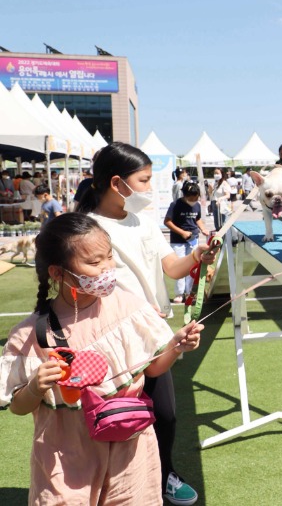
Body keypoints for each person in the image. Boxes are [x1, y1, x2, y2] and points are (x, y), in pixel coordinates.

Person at [0, 212, 203, 504]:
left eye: (109, 257)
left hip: (131, 451)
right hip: (65, 460)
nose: (107, 268)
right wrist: (35, 386)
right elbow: (18, 406)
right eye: (95, 262)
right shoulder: (29, 334)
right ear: (57, 273)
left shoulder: (129, 306)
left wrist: (176, 345)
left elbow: (154, 368)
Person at [77, 142, 217, 505]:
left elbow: (171, 267)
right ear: (117, 182)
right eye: (144, 180)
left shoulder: (144, 222)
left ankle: (162, 474)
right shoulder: (85, 227)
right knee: (111, 416)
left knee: (164, 414)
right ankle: (105, 485)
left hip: (152, 333)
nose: (149, 188)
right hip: (107, 336)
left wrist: (199, 255)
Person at [165, 181, 210, 304]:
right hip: (178, 242)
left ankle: (191, 292)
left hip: (193, 240)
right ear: (184, 195)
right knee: (180, 266)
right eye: (191, 198)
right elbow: (167, 222)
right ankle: (179, 293)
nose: (194, 201)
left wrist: (203, 229)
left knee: (193, 267)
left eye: (196, 198)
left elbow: (197, 218)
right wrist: (182, 232)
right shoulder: (175, 205)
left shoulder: (197, 205)